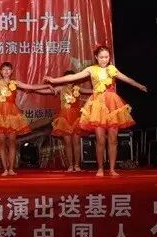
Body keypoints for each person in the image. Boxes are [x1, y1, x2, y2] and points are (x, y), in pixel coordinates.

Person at [45, 46, 147, 177]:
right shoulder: (91, 69)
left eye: (107, 57)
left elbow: (126, 79)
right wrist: (54, 80)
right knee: (100, 139)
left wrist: (139, 85)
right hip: (98, 105)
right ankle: (100, 168)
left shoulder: (112, 69)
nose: (104, 59)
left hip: (112, 104)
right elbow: (73, 77)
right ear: (96, 57)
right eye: (102, 57)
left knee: (113, 139)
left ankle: (112, 169)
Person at [50, 71, 93, 172]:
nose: (69, 79)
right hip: (64, 118)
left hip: (76, 118)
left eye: (71, 77)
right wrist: (38, 88)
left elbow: (91, 91)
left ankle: (77, 165)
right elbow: (48, 90)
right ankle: (70, 165)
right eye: (67, 77)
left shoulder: (78, 88)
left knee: (76, 142)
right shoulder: (61, 88)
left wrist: (102, 89)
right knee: (68, 143)